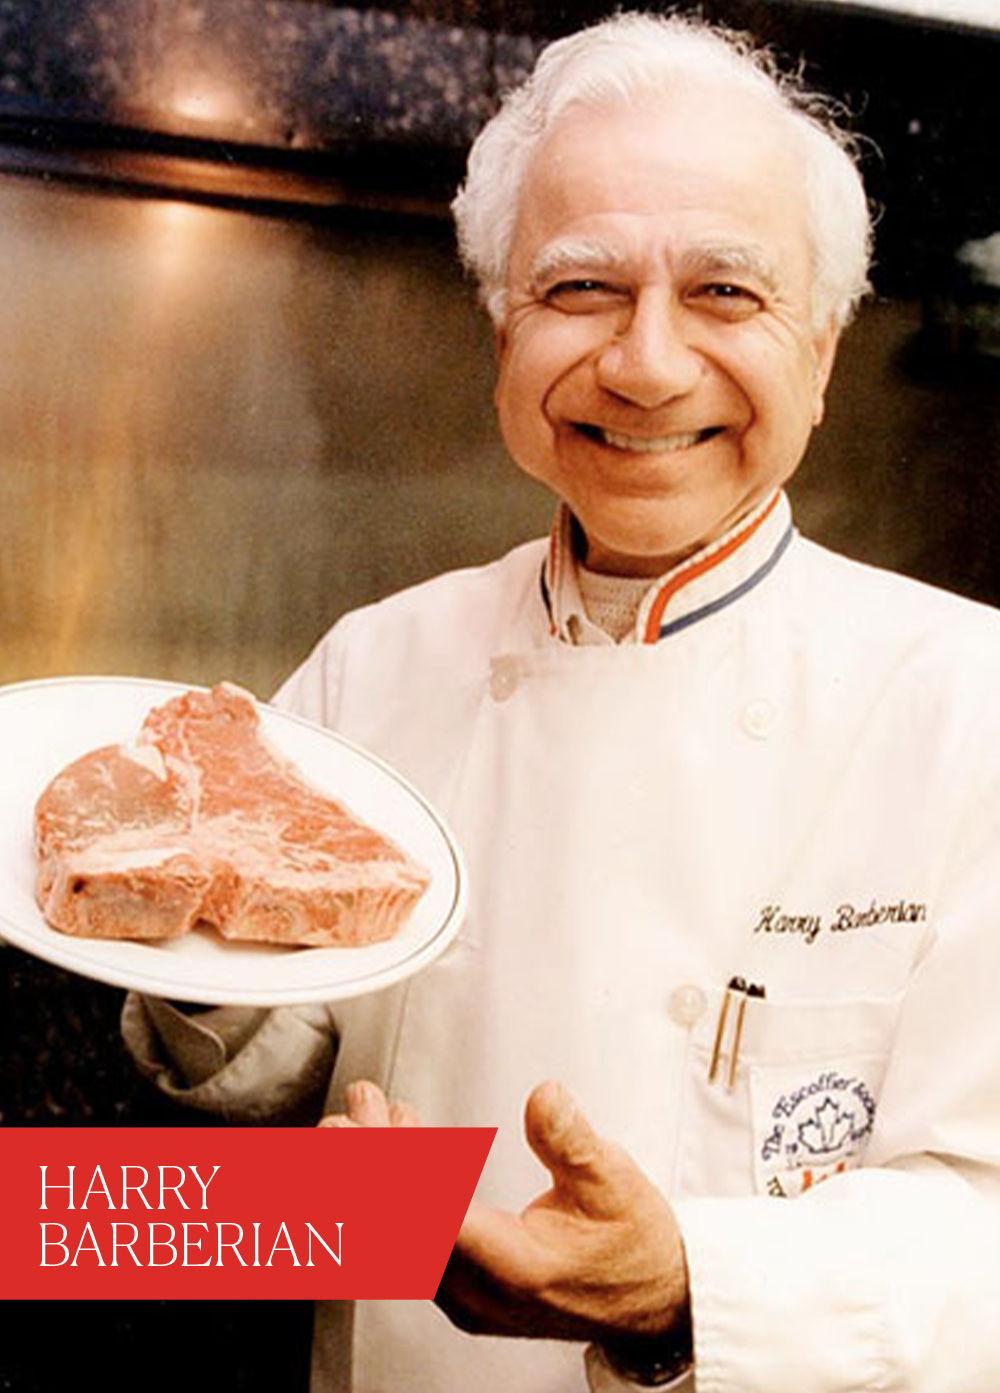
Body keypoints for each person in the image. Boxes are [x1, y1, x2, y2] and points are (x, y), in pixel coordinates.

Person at [123, 11, 1000, 1391]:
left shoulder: (969, 706)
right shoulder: (375, 663)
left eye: (726, 292)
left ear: (823, 350)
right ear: (502, 326)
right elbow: (256, 1082)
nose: (646, 364)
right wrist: (164, 935)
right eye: (580, 288)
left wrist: (687, 1292)